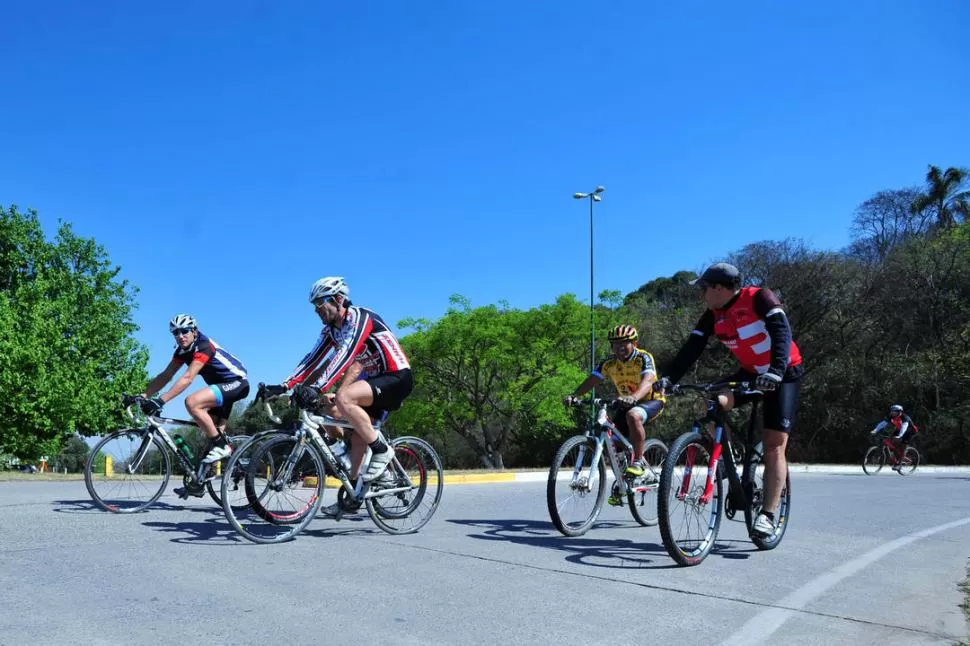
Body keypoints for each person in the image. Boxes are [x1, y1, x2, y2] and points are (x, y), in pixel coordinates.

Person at [658, 263, 803, 538]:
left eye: (703, 289)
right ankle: (725, 456)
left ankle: (769, 514)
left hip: (784, 374)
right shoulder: (713, 315)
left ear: (719, 288)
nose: (701, 295)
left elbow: (782, 332)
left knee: (774, 444)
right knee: (711, 402)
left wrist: (775, 371)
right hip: (750, 373)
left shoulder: (760, 298)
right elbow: (692, 348)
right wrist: (669, 379)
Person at [266, 277, 413, 484]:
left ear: (338, 299)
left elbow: (345, 354)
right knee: (355, 431)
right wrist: (284, 385)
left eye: (319, 303)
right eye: (314, 305)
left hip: (397, 377)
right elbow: (312, 358)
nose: (316, 310)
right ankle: (355, 492)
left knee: (344, 397)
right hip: (376, 382)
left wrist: (317, 388)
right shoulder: (331, 330)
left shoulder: (360, 317)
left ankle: (382, 451)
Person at [140, 314, 250, 498]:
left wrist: (160, 400)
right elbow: (166, 375)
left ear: (194, 331)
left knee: (192, 402)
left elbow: (188, 378)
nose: (180, 335)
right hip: (220, 388)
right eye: (176, 333)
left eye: (184, 331)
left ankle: (223, 447)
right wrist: (143, 395)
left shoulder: (203, 345)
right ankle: (200, 481)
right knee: (210, 432)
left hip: (237, 383)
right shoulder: (182, 352)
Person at [564, 324, 665, 489]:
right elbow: (592, 380)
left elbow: (648, 381)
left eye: (625, 342)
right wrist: (575, 396)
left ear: (635, 343)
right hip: (626, 403)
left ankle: (638, 462)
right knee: (610, 441)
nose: (620, 347)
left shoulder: (643, 357)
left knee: (633, 415)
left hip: (650, 400)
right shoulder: (608, 363)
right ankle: (624, 480)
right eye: (616, 343)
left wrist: (634, 397)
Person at [871, 404, 919, 470]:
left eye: (894, 411)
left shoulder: (905, 418)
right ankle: (895, 460)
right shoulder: (891, 416)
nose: (892, 412)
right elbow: (883, 423)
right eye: (891, 411)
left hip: (909, 431)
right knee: (892, 444)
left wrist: (900, 436)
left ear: (899, 412)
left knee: (903, 446)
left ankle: (900, 464)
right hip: (899, 430)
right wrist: (875, 430)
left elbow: (904, 427)